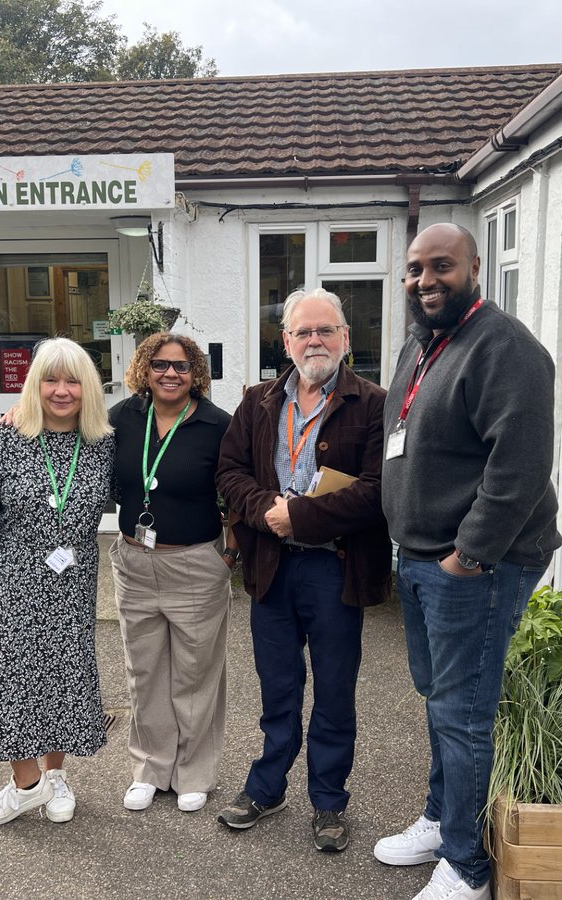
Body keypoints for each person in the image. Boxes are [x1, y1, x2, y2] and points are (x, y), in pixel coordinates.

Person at [375, 223, 561, 900]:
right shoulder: (423, 345)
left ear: (475, 268)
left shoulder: (504, 348)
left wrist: (469, 557)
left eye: (442, 267)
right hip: (422, 557)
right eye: (416, 269)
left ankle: (467, 867)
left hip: (475, 567)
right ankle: (441, 818)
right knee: (440, 701)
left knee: (464, 711)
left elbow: (520, 465)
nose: (426, 281)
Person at [216, 287, 391, 853]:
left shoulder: (372, 404)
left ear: (346, 338)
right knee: (278, 688)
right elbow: (229, 470)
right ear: (285, 341)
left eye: (326, 330)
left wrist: (303, 516)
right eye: (303, 331)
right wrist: (270, 512)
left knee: (335, 691)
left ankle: (329, 801)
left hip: (334, 569)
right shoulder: (257, 401)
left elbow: (377, 491)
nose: (314, 340)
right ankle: (267, 788)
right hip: (272, 567)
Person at [0, 337, 115, 827]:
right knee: (8, 673)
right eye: (50, 379)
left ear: (87, 386)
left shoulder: (103, 443)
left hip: (72, 578)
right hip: (12, 574)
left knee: (63, 675)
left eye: (72, 380)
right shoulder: (5, 439)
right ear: (34, 384)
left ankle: (56, 775)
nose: (61, 390)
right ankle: (27, 785)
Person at [108, 332, 238, 814]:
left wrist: (230, 555)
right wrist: (18, 416)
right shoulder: (122, 417)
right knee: (144, 673)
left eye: (181, 367)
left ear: (195, 373)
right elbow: (63, 435)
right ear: (145, 368)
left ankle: (193, 772)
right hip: (134, 564)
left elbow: (237, 489)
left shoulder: (216, 425)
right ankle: (150, 767)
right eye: (160, 364)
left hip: (196, 565)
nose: (170, 374)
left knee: (195, 674)